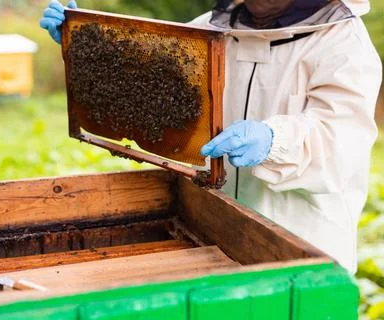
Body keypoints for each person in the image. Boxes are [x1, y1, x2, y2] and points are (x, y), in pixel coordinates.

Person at [40, 0, 382, 273]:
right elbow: (143, 78)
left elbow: (342, 139)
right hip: (211, 229)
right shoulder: (207, 29)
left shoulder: (343, 42)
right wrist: (87, 43)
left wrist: (273, 140)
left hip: (303, 243)